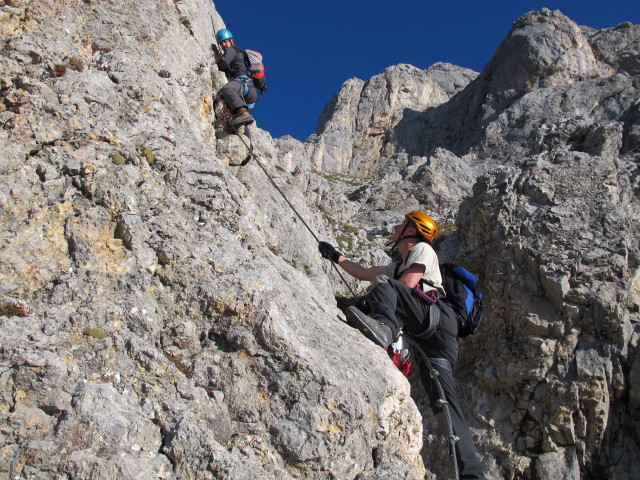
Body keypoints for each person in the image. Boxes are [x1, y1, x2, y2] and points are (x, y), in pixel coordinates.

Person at [318, 212, 485, 479]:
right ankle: (471, 474)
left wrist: (378, 307)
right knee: (444, 405)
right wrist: (336, 256)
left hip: (436, 320)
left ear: (411, 230)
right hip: (437, 341)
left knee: (386, 288)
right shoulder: (399, 265)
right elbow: (364, 273)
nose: (395, 227)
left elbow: (405, 286)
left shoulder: (423, 249)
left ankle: (385, 329)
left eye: (401, 223)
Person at [214, 28, 257, 127]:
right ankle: (245, 139)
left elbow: (223, 64)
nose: (224, 45)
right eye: (221, 43)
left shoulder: (231, 50)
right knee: (243, 123)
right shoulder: (240, 52)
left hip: (241, 84)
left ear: (231, 40)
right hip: (251, 92)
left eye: (225, 41)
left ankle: (242, 112)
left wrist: (218, 59)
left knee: (227, 89)